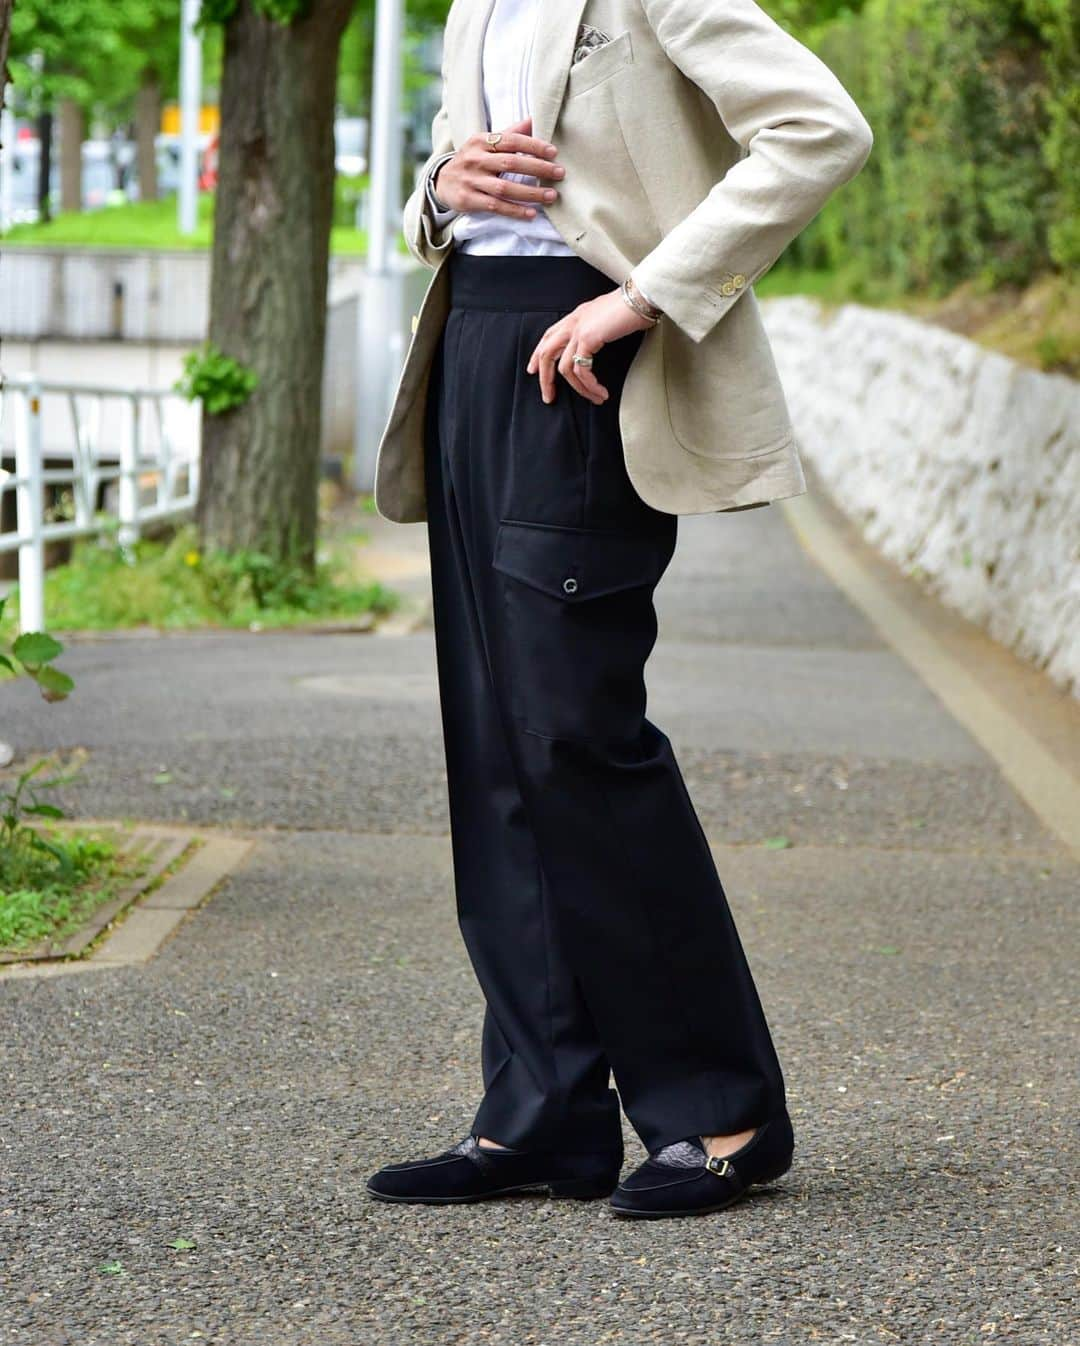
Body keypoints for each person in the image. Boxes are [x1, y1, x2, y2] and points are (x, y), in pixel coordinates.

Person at [367, 0, 872, 1219]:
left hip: (583, 357)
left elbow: (819, 130)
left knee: (577, 737)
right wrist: (440, 187)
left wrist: (649, 294)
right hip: (476, 349)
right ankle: (543, 1112)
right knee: (496, 749)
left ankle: (721, 1109)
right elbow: (458, 189)